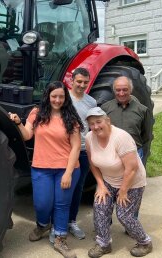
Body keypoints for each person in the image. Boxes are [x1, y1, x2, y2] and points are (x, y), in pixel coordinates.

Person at [9, 81, 83, 258]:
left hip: (66, 169)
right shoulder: (37, 113)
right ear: (48, 96)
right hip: (41, 167)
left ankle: (60, 239)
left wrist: (68, 172)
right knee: (42, 204)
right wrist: (18, 123)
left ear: (66, 98)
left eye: (61, 96)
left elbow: (75, 147)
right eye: (54, 96)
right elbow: (27, 135)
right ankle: (43, 225)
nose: (57, 100)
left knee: (62, 205)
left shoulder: (70, 118)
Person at [85, 107, 153, 258]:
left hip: (131, 182)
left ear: (107, 121)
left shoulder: (121, 137)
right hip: (109, 180)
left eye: (98, 122)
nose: (95, 126)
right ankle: (103, 243)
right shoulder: (89, 137)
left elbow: (132, 168)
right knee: (100, 207)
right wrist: (101, 185)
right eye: (91, 124)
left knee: (124, 215)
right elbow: (93, 164)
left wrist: (123, 191)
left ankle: (145, 242)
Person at [67, 67, 97, 240]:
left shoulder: (91, 102)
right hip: (66, 150)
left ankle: (72, 221)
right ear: (72, 80)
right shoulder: (64, 99)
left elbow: (93, 126)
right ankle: (57, 223)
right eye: (79, 82)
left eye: (85, 82)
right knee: (63, 186)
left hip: (84, 150)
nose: (82, 85)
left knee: (78, 187)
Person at [101, 76, 153, 165]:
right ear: (114, 91)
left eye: (125, 90)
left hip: (135, 153)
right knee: (111, 179)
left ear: (130, 90)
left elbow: (146, 135)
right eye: (118, 90)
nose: (121, 93)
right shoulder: (105, 108)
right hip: (112, 153)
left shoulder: (142, 110)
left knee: (134, 178)